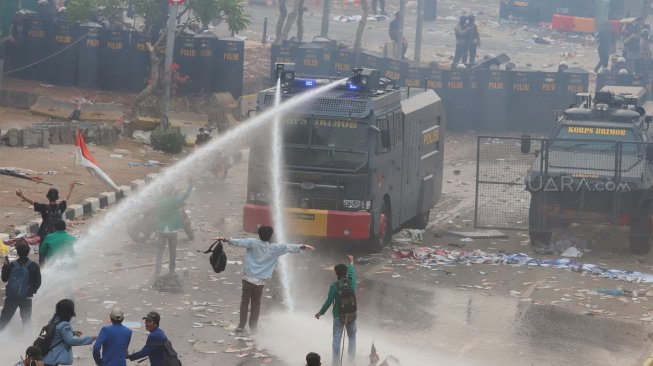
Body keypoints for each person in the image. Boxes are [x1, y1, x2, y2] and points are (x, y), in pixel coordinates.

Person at [215, 226, 315, 332]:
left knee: (244, 302)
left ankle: (241, 326)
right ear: (270, 236)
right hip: (260, 281)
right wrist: (303, 246)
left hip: (248, 278)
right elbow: (288, 247)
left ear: (259, 234)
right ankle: (253, 326)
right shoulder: (274, 248)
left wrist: (224, 239)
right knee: (256, 303)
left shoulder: (252, 243)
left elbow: (238, 242)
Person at [16, 183, 75, 265]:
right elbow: (66, 198)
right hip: (57, 232)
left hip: (45, 233)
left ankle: (42, 269)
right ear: (57, 197)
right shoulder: (61, 206)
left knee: (42, 252)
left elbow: (33, 203)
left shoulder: (44, 207)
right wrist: (71, 188)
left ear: (48, 197)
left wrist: (22, 196)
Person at [315, 255, 357, 364]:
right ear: (346, 272)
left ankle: (336, 362)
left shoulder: (334, 286)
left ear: (336, 273)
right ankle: (351, 361)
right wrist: (352, 261)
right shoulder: (351, 281)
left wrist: (320, 313)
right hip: (352, 314)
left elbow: (329, 302)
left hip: (338, 316)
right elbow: (352, 272)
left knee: (337, 339)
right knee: (352, 337)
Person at [154, 179, 193, 275]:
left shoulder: (159, 201)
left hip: (161, 229)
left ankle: (157, 270)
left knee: (160, 251)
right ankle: (172, 270)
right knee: (172, 251)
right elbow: (185, 195)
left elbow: (154, 202)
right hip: (172, 229)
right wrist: (190, 184)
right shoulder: (175, 200)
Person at [0, 242, 41, 331]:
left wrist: (5, 267)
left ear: (17, 252)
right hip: (26, 298)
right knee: (26, 320)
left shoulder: (11, 265)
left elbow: (4, 279)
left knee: (4, 319)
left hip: (11, 297)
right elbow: (37, 282)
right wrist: (30, 292)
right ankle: (26, 340)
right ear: (29, 252)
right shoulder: (34, 266)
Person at [43, 299, 96, 366]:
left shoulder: (52, 321)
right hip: (52, 359)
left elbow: (57, 334)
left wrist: (72, 333)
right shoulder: (65, 325)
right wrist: (90, 339)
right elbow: (71, 341)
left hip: (46, 357)